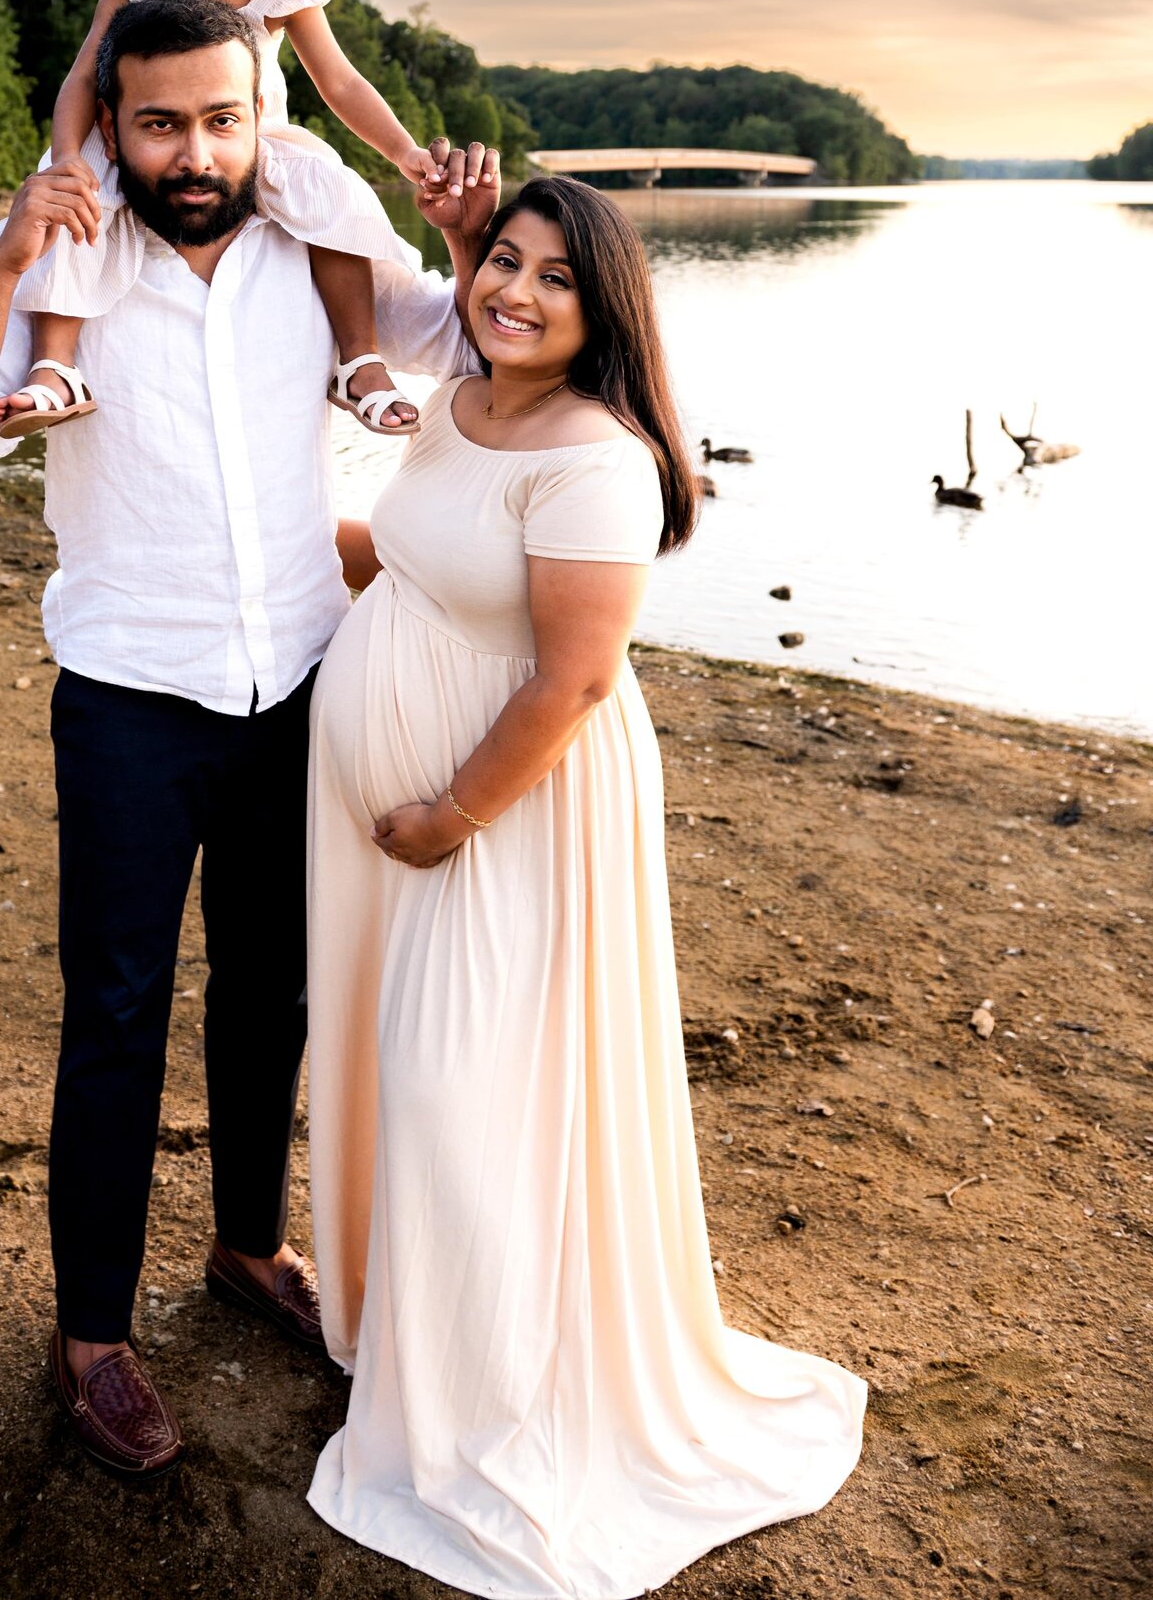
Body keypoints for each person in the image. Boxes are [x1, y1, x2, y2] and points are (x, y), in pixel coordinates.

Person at [0, 0, 499, 1480]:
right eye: (162, 122)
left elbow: (474, 351)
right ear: (116, 123)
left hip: (299, 682)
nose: (198, 149)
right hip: (128, 698)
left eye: (226, 118)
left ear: (260, 113)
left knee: (272, 989)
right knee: (114, 1015)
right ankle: (91, 1335)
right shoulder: (60, 249)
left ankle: (244, 1246)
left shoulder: (320, 247)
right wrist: (14, 255)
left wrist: (474, 239)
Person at [305, 176, 866, 1596]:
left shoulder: (597, 456)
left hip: (516, 815)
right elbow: (410, 551)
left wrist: (449, 812)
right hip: (411, 810)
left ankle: (495, 1401)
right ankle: (422, 1344)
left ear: (604, 307)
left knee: (463, 1081)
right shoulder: (461, 402)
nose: (518, 293)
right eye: (505, 262)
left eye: (557, 279)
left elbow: (571, 677)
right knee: (409, 1065)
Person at [0, 0, 440, 442]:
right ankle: (56, 366)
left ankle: (360, 364)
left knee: (331, 190)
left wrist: (407, 154)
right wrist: (67, 158)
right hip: (157, 137)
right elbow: (82, 79)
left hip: (256, 140)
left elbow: (341, 82)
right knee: (76, 188)